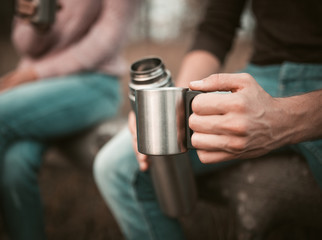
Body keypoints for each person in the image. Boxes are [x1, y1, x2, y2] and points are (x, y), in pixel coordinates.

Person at [94, 0, 322, 239]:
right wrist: (175, 102)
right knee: (116, 167)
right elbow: (216, 25)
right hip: (259, 79)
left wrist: (285, 119)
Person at [0, 0, 136, 239]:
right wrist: (37, 24)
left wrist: (35, 73)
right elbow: (24, 44)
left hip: (93, 82)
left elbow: (106, 39)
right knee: (15, 165)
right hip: (35, 89)